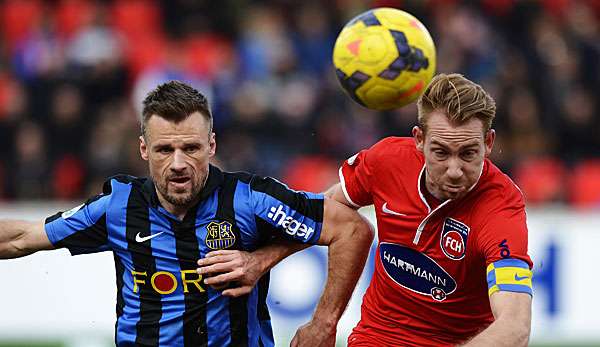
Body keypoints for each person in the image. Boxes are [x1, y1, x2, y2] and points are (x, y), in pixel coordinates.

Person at [0, 81, 374, 347]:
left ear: (211, 145)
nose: (178, 163)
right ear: (144, 150)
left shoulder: (251, 199)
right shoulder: (119, 206)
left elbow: (352, 230)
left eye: (191, 148)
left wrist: (323, 324)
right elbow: (21, 238)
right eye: (164, 150)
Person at [203, 73, 534, 346]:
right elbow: (321, 215)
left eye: (468, 154)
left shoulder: (501, 208)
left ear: (489, 143)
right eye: (441, 152)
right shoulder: (387, 162)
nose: (454, 169)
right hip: (378, 337)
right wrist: (260, 261)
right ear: (418, 139)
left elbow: (515, 325)